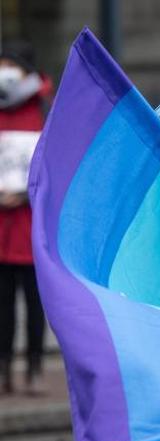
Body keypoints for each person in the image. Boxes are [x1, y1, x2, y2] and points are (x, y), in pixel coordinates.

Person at [0, 41, 52, 395]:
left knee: (35, 308)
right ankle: (4, 369)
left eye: (9, 66)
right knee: (2, 308)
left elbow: (55, 167)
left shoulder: (45, 111)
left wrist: (25, 194)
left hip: (34, 234)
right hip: (2, 234)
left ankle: (34, 367)